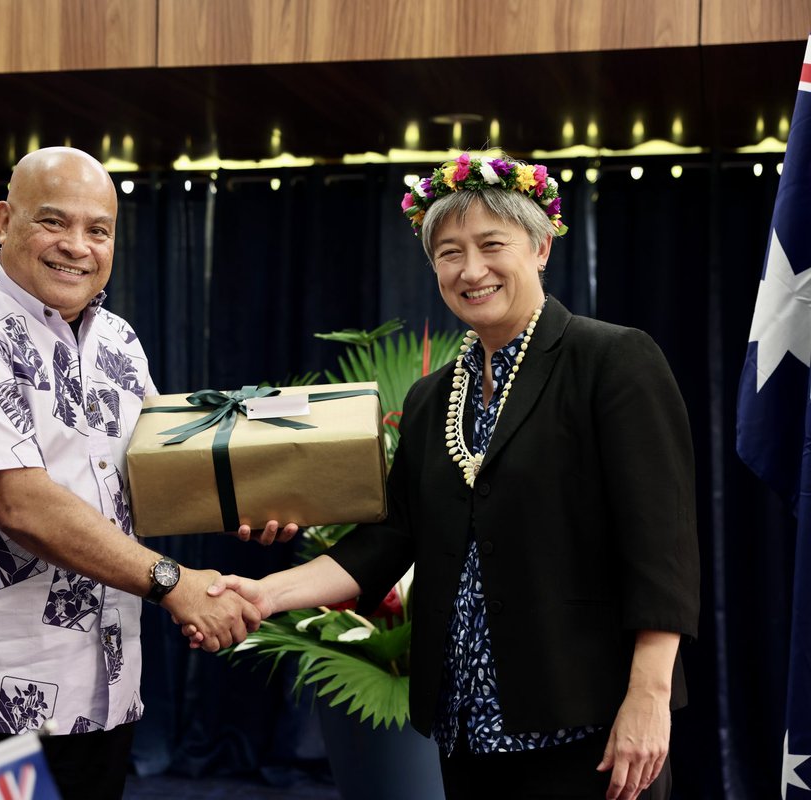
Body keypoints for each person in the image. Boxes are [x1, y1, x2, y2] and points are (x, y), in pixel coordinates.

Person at [197, 152, 699, 800]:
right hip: (468, 729)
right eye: (448, 251)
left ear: (541, 246)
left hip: (590, 726)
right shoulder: (437, 396)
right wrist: (265, 595)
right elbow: (385, 542)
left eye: (493, 245)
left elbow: (662, 549)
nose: (471, 269)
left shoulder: (611, 360)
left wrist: (648, 697)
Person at [0, 146, 295, 798]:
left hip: (100, 695)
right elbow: (22, 503)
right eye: (54, 222)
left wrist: (257, 502)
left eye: (97, 230)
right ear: (3, 221)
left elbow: (162, 470)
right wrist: (172, 581)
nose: (77, 246)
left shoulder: (119, 341)